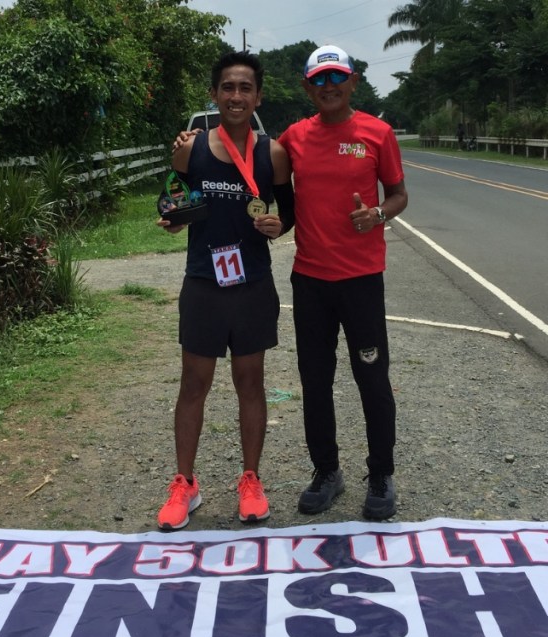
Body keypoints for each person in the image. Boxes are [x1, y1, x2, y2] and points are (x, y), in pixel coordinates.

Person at [156, 51, 294, 530]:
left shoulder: (273, 154)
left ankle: (250, 479)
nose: (237, 96)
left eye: (245, 88)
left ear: (258, 97)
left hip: (252, 284)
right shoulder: (188, 150)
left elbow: (288, 212)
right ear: (214, 95)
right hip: (203, 282)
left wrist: (278, 225)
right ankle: (185, 483)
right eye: (228, 87)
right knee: (193, 384)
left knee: (250, 383)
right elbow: (173, 208)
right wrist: (173, 221)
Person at [277, 44, 408, 520]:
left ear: (353, 81)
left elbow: (398, 194)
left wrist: (377, 215)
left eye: (337, 78)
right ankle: (327, 472)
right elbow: (255, 172)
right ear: (307, 86)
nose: (329, 87)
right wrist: (191, 149)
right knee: (315, 381)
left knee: (372, 377)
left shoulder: (378, 133)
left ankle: (381, 474)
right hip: (310, 281)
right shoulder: (292, 138)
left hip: (361, 280)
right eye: (319, 79)